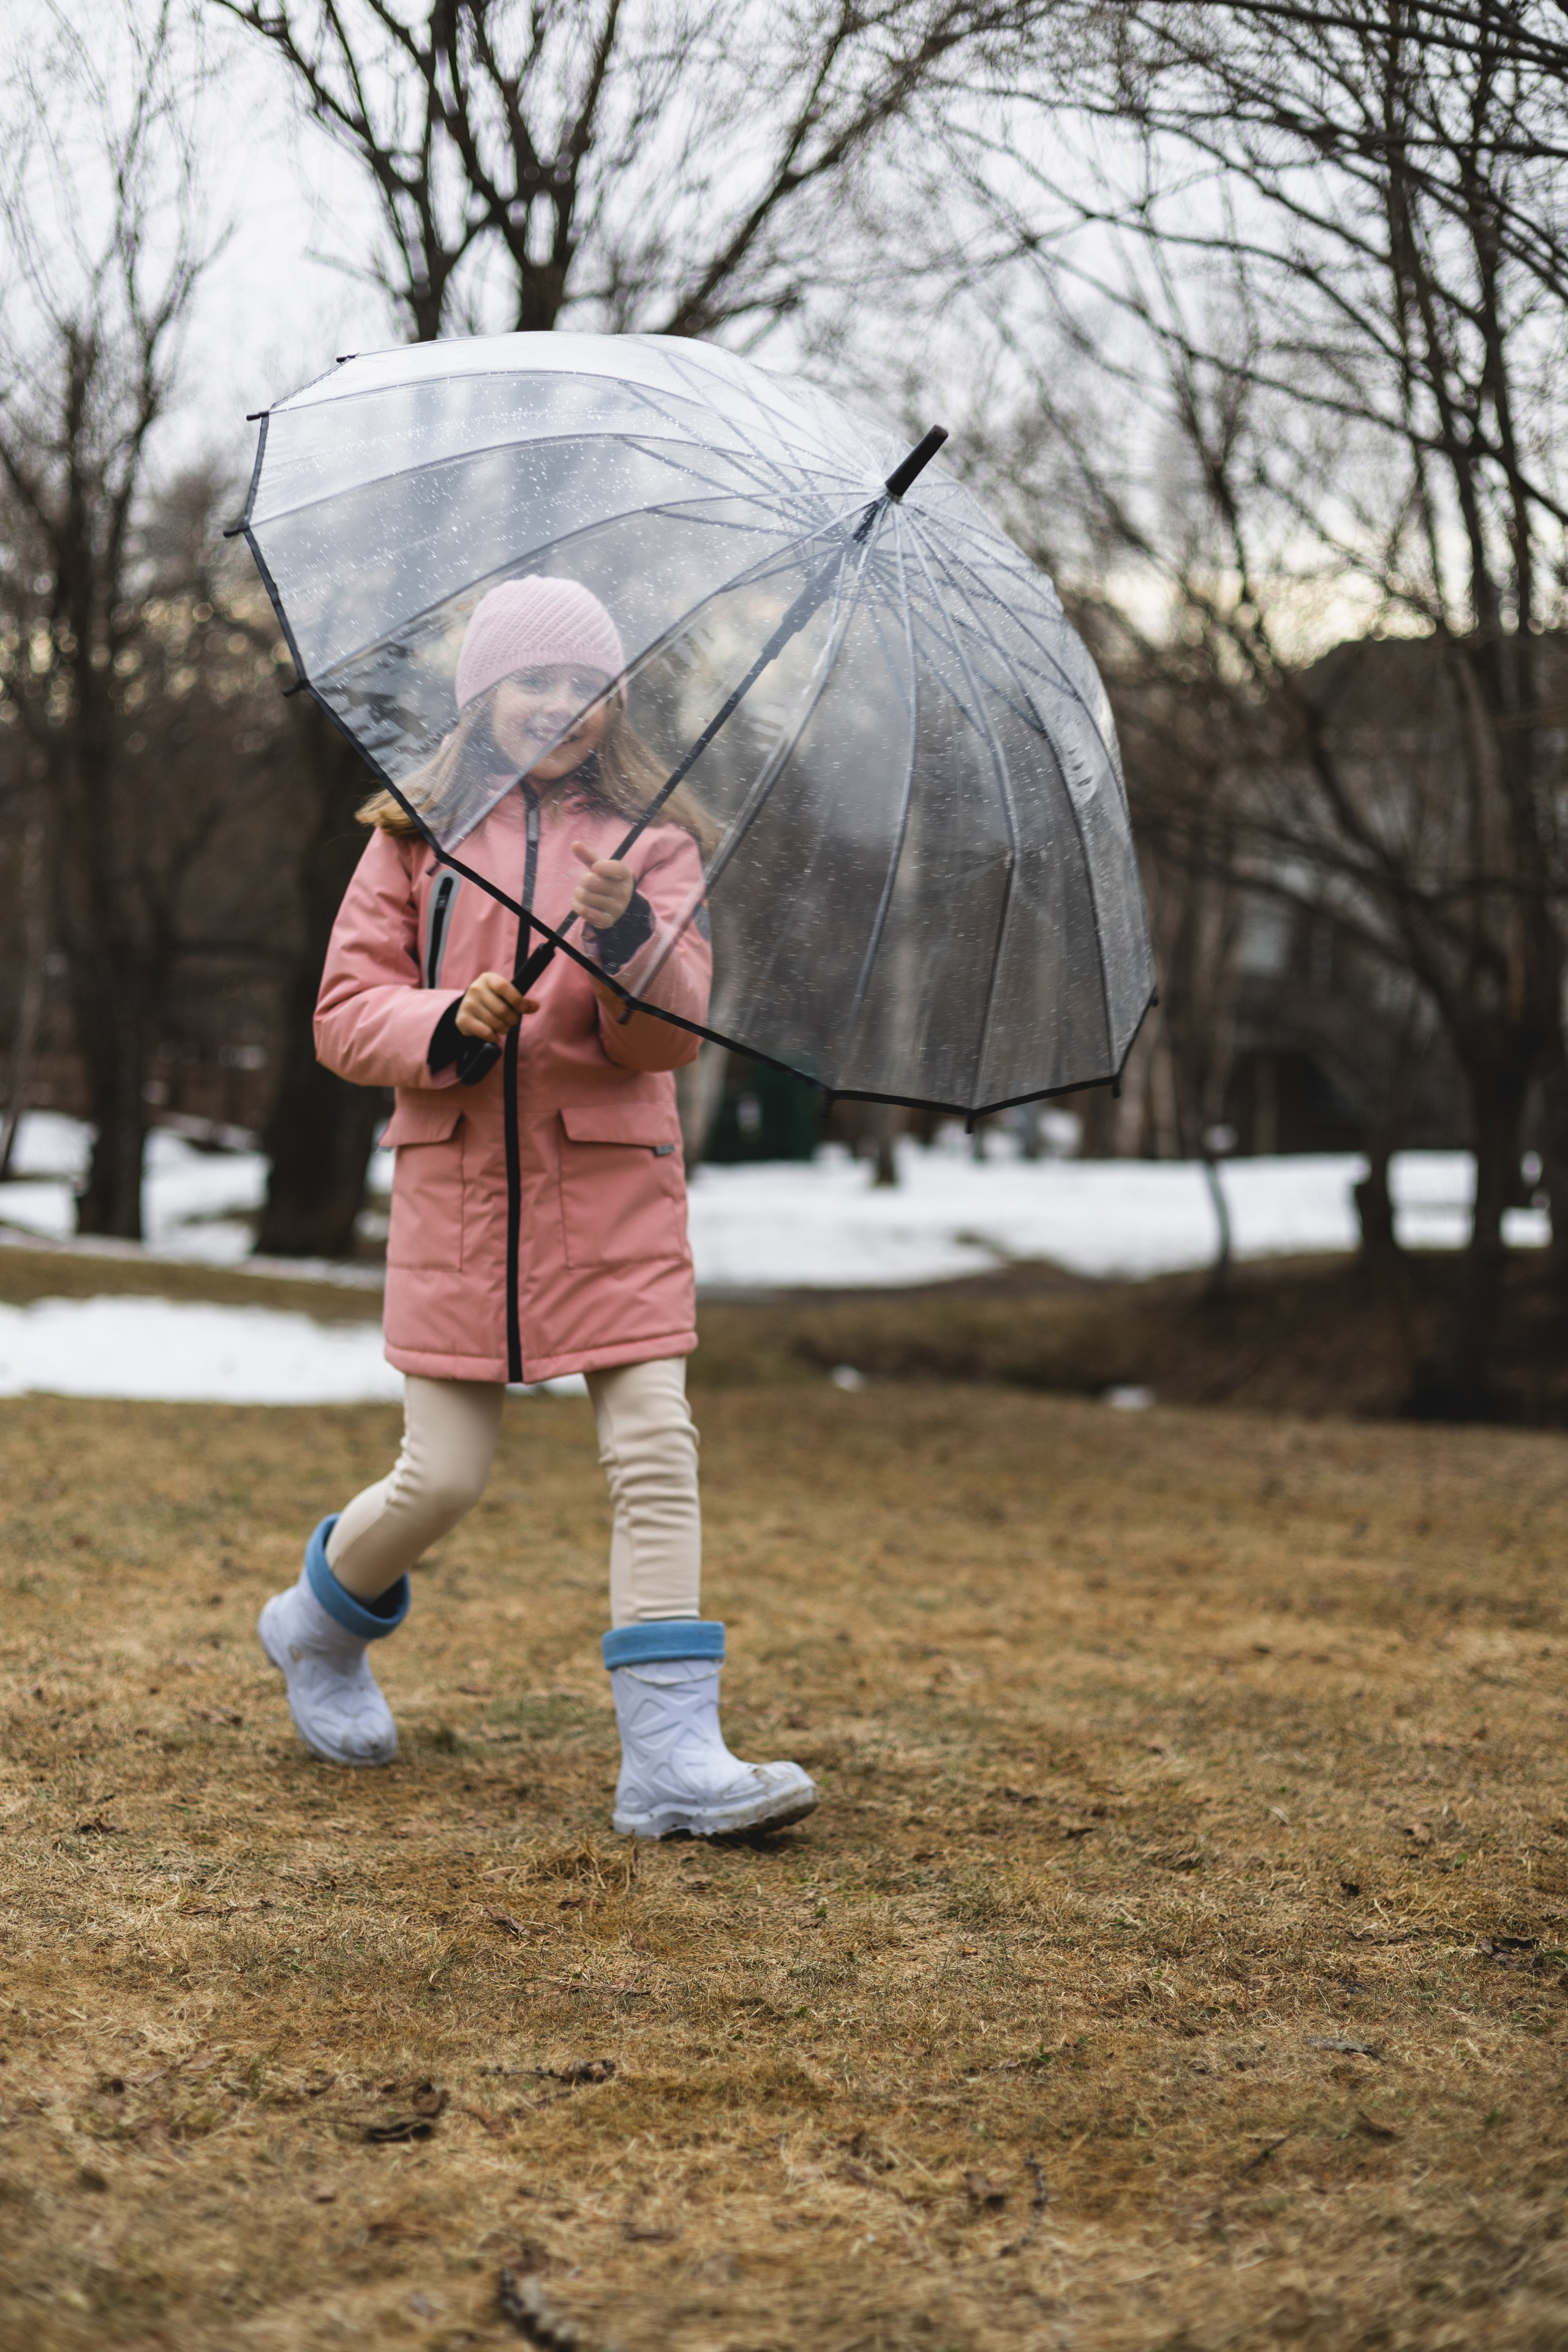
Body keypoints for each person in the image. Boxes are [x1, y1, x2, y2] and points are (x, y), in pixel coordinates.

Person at [256, 575, 816, 1839]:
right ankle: (312, 1627)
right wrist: (444, 1023)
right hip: (459, 1196)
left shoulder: (653, 841)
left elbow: (664, 1043)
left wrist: (625, 946)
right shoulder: (410, 836)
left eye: (584, 685)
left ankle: (669, 1759)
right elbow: (346, 1015)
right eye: (534, 681)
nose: (560, 705)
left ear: (612, 704)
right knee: (439, 1478)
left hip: (610, 1188)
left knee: (653, 1447)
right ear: (483, 695)